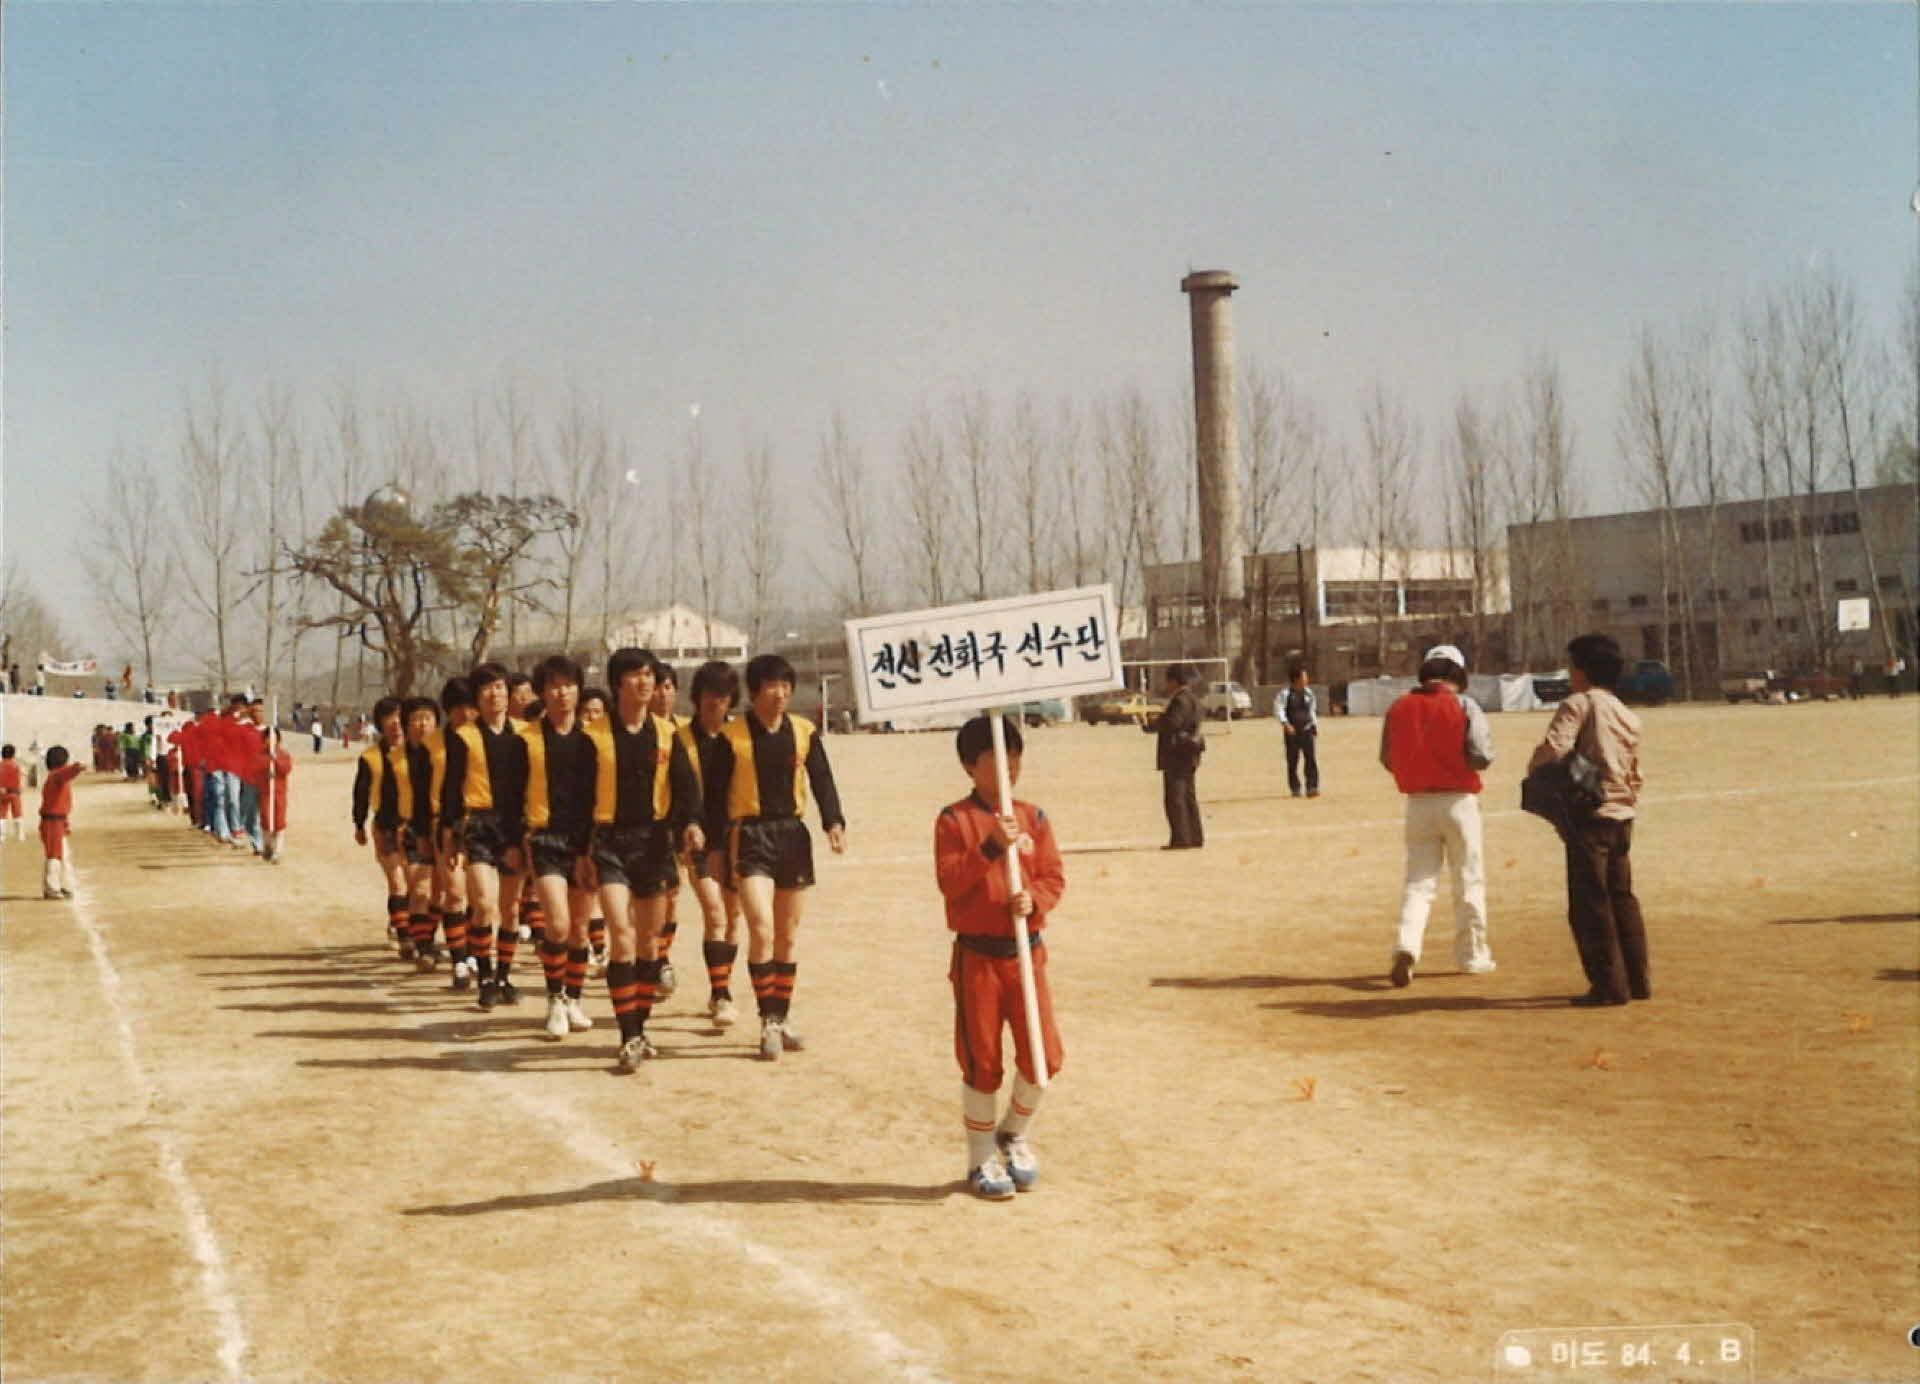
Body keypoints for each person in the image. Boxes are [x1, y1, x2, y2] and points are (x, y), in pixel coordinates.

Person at [936, 715, 1066, 1201]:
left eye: (1014, 755)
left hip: (1026, 956)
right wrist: (991, 847)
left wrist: (1035, 899)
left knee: (1043, 1057)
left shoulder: (1034, 818)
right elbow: (950, 881)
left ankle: (1013, 1132)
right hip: (978, 959)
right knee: (983, 1060)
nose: (1008, 766)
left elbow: (1053, 876)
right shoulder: (954, 820)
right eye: (995, 756)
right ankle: (980, 1156)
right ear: (971, 765)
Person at [712, 653, 847, 1061]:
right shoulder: (731, 736)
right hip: (749, 836)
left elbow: (822, 780)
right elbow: (715, 798)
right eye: (772, 685)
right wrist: (716, 851)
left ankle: (783, 1015)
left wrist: (833, 823)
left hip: (791, 836)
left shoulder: (804, 732)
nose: (781, 692)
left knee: (788, 935)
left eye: (786, 685)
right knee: (761, 926)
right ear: (754, 691)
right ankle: (767, 1020)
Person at [587, 648, 700, 1069]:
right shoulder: (594, 736)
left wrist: (691, 823)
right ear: (619, 684)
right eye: (636, 675)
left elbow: (687, 789)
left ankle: (641, 1025)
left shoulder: (669, 735)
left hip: (653, 843)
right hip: (609, 842)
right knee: (622, 933)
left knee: (651, 944)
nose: (645, 682)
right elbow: (579, 799)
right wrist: (583, 852)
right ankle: (628, 1035)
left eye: (649, 675)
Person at [1527, 633, 1650, 1007]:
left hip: (1589, 816)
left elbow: (1555, 748)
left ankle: (1609, 986)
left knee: (1590, 904)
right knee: (1622, 898)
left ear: (1582, 671)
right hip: (1622, 815)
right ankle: (1637, 980)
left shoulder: (1578, 703)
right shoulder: (1627, 713)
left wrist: (1535, 768)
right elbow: (1635, 772)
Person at [1380, 645, 1496, 987]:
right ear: (1458, 674)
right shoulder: (1464, 705)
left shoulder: (1399, 707)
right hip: (1459, 800)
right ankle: (1472, 955)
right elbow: (1482, 755)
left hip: (1417, 803)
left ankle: (1406, 946)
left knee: (1418, 883)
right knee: (1468, 879)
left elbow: (1388, 757)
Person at [439, 663, 531, 1011]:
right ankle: (487, 976)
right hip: (478, 825)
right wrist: (447, 835)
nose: (497, 694)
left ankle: (504, 976)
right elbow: (451, 789)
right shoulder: (464, 736)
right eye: (488, 688)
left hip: (514, 826)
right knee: (485, 905)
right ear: (477, 698)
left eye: (501, 687)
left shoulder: (524, 733)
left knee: (510, 909)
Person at [521, 656, 604, 1043]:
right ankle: (554, 999)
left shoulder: (594, 738)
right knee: (556, 923)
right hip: (544, 838)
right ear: (542, 692)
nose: (562, 692)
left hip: (584, 841)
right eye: (553, 685)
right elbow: (510, 797)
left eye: (569, 684)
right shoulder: (526, 740)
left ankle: (573, 997)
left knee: (581, 929)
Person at [678, 660, 748, 1028]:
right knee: (715, 912)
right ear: (697, 697)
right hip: (697, 839)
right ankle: (721, 995)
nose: (714, 703)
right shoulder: (680, 738)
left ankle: (720, 985)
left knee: (733, 917)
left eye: (722, 697)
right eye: (708, 695)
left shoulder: (738, 739)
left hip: (734, 838)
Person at [351, 697, 413, 953]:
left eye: (400, 717)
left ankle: (402, 920)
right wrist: (359, 823)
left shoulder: (419, 752)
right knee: (397, 881)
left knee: (417, 884)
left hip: (414, 827)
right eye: (389, 717)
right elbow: (361, 792)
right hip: (385, 826)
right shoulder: (370, 757)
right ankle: (405, 936)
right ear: (380, 723)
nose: (396, 723)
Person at [650, 661, 687, 999]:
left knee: (671, 900)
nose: (662, 694)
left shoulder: (685, 732)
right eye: (657, 686)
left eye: (668, 687)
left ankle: (660, 959)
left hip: (675, 829)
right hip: (638, 831)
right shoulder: (636, 733)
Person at [1155, 665, 1205, 849]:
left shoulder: (1179, 701)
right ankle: (1195, 836)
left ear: (1174, 681)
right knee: (1188, 796)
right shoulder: (1193, 699)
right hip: (1190, 752)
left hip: (1177, 753)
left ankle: (1181, 838)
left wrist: (1156, 721)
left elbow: (1172, 723)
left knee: (1175, 798)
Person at [38, 745, 84, 899]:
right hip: (52, 822)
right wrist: (77, 767)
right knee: (54, 854)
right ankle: (51, 887)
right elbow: (67, 773)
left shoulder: (54, 776)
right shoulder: (56, 776)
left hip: (57, 820)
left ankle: (55, 884)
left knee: (60, 854)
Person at [1274, 663, 1320, 799]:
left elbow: (1312, 710)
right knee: (1292, 761)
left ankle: (1312, 786)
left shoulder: (1309, 693)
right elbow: (1279, 709)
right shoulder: (1285, 694)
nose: (1306, 679)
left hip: (1306, 729)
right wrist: (1285, 724)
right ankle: (1295, 788)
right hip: (1292, 732)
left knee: (1311, 759)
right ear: (1296, 679)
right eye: (1304, 676)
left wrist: (1314, 726)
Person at [0, 745, 24, 840]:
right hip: (14, 793)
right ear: (13, 754)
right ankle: (20, 835)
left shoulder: (0, 765)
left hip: (1, 793)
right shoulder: (16, 765)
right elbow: (18, 780)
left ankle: (1, 836)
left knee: (1, 814)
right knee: (17, 814)